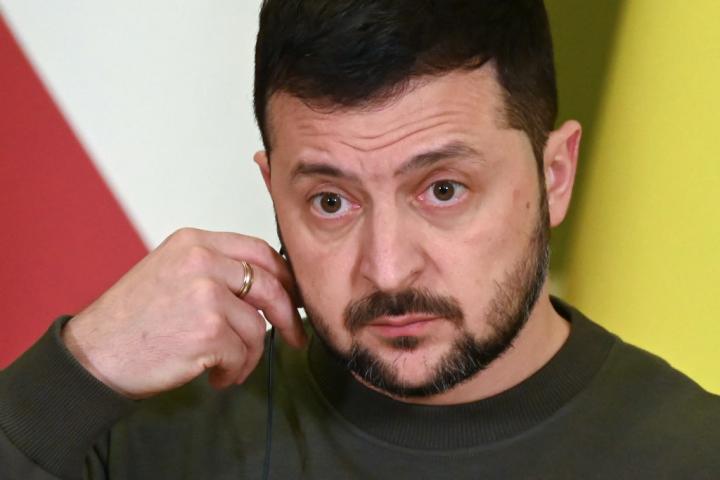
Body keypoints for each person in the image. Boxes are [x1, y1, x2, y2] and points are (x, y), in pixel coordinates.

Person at [1, 0, 718, 478]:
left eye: (443, 190)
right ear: (272, 188)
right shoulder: (156, 434)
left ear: (554, 175)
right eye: (331, 202)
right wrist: (79, 367)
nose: (388, 268)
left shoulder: (692, 455)